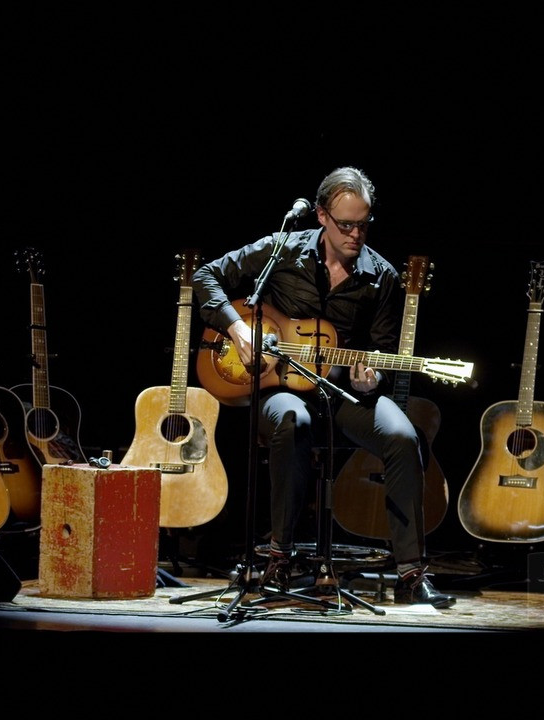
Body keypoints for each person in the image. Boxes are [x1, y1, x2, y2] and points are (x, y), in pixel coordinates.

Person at [192, 166, 454, 608]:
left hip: (342, 393)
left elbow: (383, 351)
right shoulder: (281, 251)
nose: (356, 234)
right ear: (321, 216)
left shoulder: (383, 277)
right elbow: (206, 277)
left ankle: (410, 573)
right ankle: (279, 555)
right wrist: (238, 329)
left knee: (403, 437)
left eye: (364, 224)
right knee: (292, 421)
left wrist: (373, 378)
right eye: (346, 224)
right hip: (279, 389)